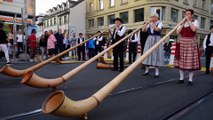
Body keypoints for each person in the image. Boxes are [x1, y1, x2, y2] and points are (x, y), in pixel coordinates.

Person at [174, 9, 200, 86]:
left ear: (192, 14)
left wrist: (189, 21)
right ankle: (181, 78)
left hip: (191, 44)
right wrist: (183, 23)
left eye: (188, 14)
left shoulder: (195, 21)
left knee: (190, 62)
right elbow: (178, 32)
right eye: (186, 14)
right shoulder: (182, 22)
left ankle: (190, 80)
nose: (187, 15)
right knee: (180, 61)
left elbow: (194, 29)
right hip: (182, 43)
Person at [142, 13, 164, 78]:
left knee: (156, 54)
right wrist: (146, 24)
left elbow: (157, 29)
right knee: (147, 54)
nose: (151, 18)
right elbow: (143, 30)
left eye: (153, 17)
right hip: (149, 39)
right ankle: (146, 70)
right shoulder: (149, 24)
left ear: (157, 18)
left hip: (157, 38)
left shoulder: (160, 23)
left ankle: (157, 72)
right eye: (151, 17)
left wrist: (150, 24)